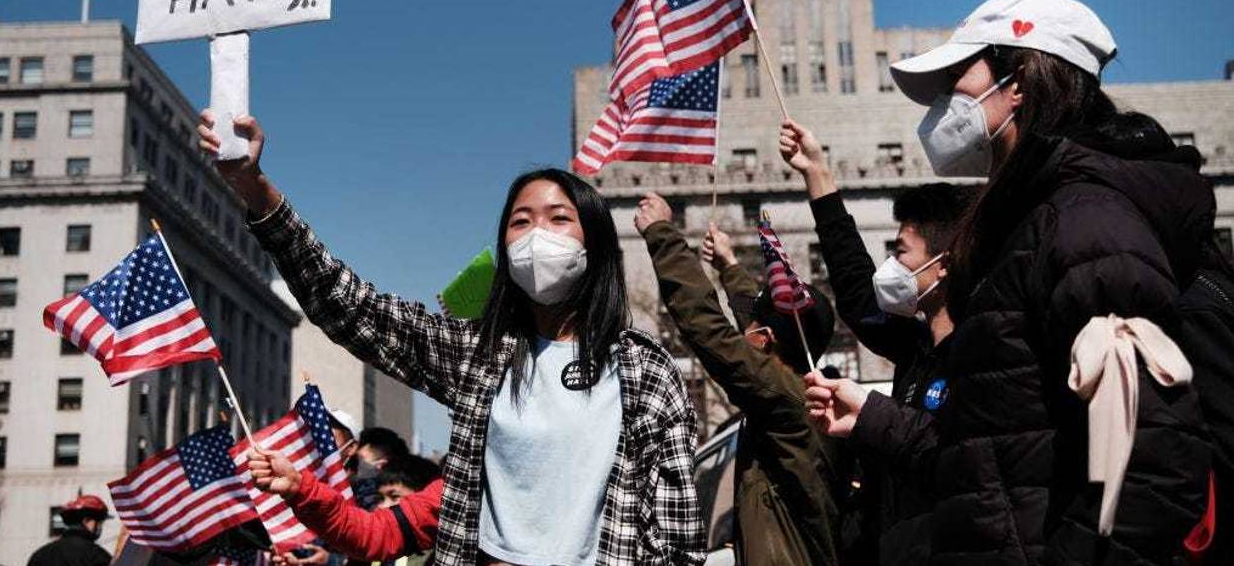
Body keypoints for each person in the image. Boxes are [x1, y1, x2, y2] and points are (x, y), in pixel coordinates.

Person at [805, 0, 1212, 564]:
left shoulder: (1084, 224)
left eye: (957, 80)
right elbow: (993, 458)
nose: (945, 105)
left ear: (1017, 83)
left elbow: (1156, 459)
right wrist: (877, 420)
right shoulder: (1026, 227)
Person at [198, 113, 705, 566]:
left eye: (558, 219)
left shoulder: (645, 371)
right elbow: (350, 305)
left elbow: (678, 538)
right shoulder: (479, 354)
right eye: (520, 222)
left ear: (593, 245)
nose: (536, 235)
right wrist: (255, 188)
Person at [778, 118, 974, 565]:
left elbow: (960, 462)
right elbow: (856, 292)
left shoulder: (985, 354)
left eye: (901, 252)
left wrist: (871, 414)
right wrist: (817, 176)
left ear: (944, 264)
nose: (891, 266)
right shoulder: (914, 346)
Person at [633, 192, 843, 565]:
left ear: (763, 341)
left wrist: (662, 234)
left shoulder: (788, 398)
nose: (744, 334)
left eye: (752, 331)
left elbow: (709, 330)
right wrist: (729, 265)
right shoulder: (806, 390)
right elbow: (757, 316)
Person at [251, 449, 443, 566]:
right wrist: (299, 488)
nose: (382, 506)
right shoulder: (451, 490)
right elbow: (374, 533)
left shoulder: (432, 555)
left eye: (394, 496)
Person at [27, 495, 112, 566]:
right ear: (87, 521)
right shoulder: (96, 556)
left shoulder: (40, 555)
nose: (100, 527)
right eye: (99, 522)